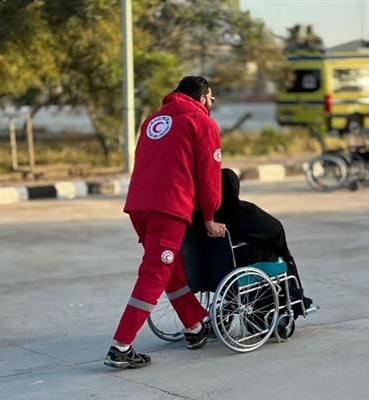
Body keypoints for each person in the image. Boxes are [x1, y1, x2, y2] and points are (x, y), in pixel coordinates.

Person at [104, 76, 226, 369]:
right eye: (211, 98)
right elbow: (209, 175)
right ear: (202, 97)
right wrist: (209, 217)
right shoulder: (202, 123)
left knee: (170, 269)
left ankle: (194, 326)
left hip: (139, 206)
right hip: (168, 208)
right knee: (154, 274)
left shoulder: (153, 121)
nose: (212, 104)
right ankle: (121, 347)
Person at [215, 168, 313, 318]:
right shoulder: (242, 211)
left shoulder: (207, 217)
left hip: (217, 270)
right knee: (280, 256)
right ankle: (293, 298)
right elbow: (275, 229)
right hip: (243, 267)